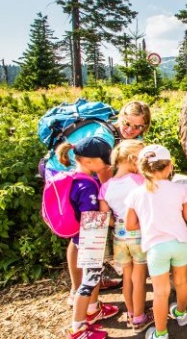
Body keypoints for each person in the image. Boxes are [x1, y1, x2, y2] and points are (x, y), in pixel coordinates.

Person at [57, 100, 152, 303]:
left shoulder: (132, 138)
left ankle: (91, 285)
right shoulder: (105, 137)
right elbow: (105, 175)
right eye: (127, 123)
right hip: (78, 182)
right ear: (121, 117)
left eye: (137, 126)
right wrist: (116, 204)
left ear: (145, 126)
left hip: (93, 184)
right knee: (83, 236)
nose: (131, 130)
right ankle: (79, 291)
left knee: (91, 235)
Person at [125, 144, 187, 339]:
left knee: (160, 292)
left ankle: (161, 333)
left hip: (156, 247)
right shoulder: (180, 189)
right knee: (181, 282)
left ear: (142, 168)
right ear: (169, 166)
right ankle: (181, 314)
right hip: (180, 243)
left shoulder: (136, 194)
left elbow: (130, 225)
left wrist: (149, 221)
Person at [55, 137, 119, 339]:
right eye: (104, 160)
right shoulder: (87, 186)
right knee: (88, 282)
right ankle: (78, 328)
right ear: (89, 161)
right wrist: (115, 222)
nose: (108, 164)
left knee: (93, 278)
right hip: (90, 238)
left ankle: (92, 310)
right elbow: (91, 217)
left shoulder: (75, 177)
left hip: (82, 237)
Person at [98, 139, 155, 333]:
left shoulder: (105, 187)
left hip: (119, 237)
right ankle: (140, 317)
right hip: (139, 233)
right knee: (140, 278)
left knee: (127, 276)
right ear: (132, 160)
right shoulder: (138, 181)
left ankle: (131, 313)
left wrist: (120, 223)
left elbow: (106, 217)